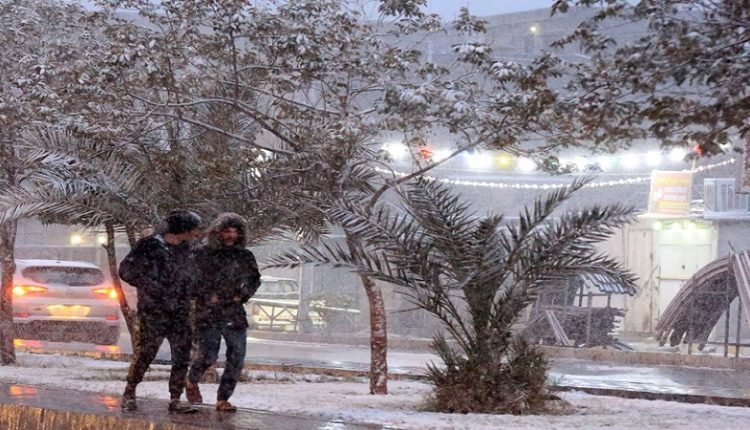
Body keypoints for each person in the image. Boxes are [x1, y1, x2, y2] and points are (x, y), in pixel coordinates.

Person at [118, 209, 203, 413]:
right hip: (154, 310)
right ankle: (130, 391)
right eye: (194, 228)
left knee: (181, 355)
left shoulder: (188, 249)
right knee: (147, 352)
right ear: (183, 228)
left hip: (180, 311)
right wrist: (151, 286)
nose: (197, 233)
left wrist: (193, 291)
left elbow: (194, 275)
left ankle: (175, 398)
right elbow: (126, 271)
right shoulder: (150, 245)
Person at [186, 212, 261, 412]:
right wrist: (207, 295)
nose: (231, 236)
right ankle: (191, 380)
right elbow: (189, 279)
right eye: (227, 231)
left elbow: (254, 279)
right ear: (218, 232)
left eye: (235, 232)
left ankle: (223, 398)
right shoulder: (202, 254)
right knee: (208, 355)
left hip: (233, 311)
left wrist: (242, 295)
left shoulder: (244, 256)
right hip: (208, 312)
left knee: (237, 355)